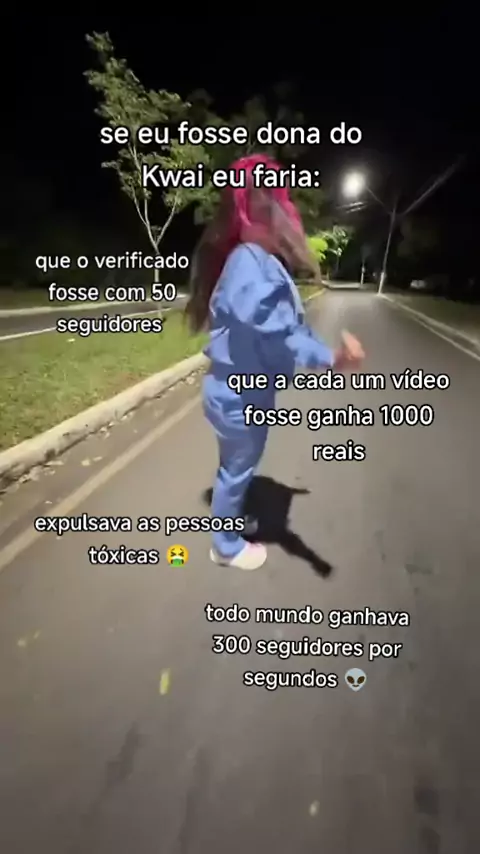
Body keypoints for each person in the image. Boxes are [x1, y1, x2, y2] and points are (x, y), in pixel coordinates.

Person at [186, 153, 364, 571]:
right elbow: (283, 335)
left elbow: (285, 328)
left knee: (236, 465)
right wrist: (333, 358)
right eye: (273, 204)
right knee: (237, 468)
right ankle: (225, 546)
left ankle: (229, 520)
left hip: (237, 393)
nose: (284, 213)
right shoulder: (252, 267)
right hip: (239, 398)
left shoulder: (255, 261)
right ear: (252, 214)